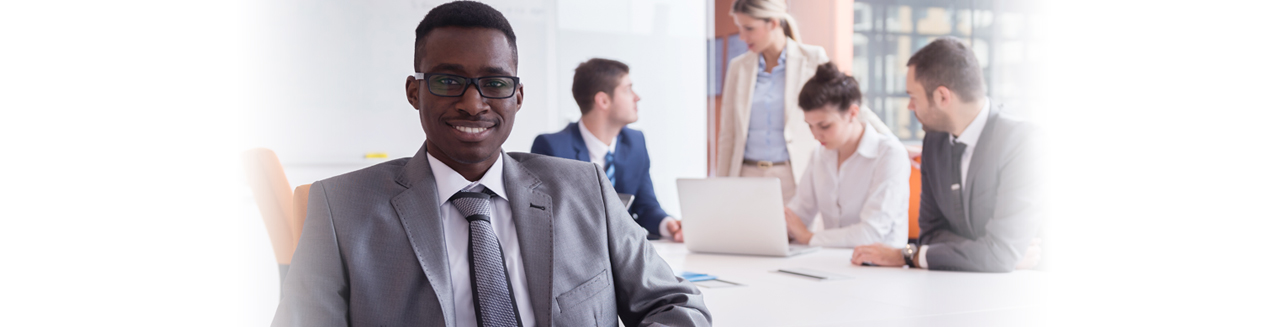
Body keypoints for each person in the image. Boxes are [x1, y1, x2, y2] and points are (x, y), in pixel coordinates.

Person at [272, 2, 711, 326]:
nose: (473, 103)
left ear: (517, 97)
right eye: (448, 81)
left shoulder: (585, 190)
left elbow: (676, 305)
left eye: (495, 83)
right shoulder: (340, 207)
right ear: (413, 92)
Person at [850, 37, 1042, 272]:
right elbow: (931, 235)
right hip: (954, 286)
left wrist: (909, 255)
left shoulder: (1022, 142)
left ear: (942, 96)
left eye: (913, 97)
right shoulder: (934, 140)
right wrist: (988, 253)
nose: (910, 107)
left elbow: (999, 254)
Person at [717, 0, 890, 203]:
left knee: (797, 233)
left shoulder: (812, 58)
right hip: (745, 176)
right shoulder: (738, 67)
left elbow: (847, 105)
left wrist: (891, 143)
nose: (742, 37)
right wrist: (722, 185)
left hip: (793, 176)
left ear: (773, 23)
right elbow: (728, 134)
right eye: (740, 28)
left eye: (749, 28)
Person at [531, 59, 683, 242]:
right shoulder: (552, 148)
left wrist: (669, 226)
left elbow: (645, 206)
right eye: (628, 90)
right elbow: (548, 221)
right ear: (603, 100)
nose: (637, 97)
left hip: (623, 256)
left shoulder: (635, 143)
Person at [782, 62, 910, 248]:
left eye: (824, 126)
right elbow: (798, 214)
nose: (816, 135)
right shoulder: (819, 155)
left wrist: (809, 238)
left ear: (852, 113)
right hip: (829, 262)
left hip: (878, 269)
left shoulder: (889, 154)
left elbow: (872, 233)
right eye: (810, 126)